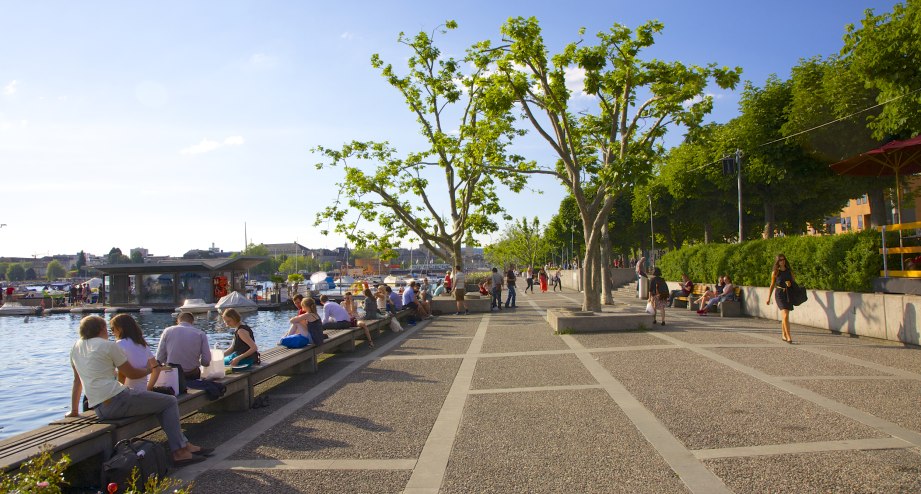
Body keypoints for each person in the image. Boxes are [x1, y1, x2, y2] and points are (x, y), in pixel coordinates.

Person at [68, 316, 210, 466]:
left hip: (100, 408)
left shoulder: (75, 348)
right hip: (118, 399)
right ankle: (180, 452)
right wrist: (151, 369)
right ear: (101, 329)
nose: (109, 332)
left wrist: (74, 410)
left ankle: (184, 445)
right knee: (169, 401)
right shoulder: (108, 346)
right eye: (107, 329)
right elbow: (132, 374)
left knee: (159, 402)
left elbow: (77, 382)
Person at [111, 314, 161, 391]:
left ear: (120, 329)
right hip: (142, 391)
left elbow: (122, 375)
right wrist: (148, 388)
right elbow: (156, 368)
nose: (112, 333)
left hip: (127, 393)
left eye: (112, 329)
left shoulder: (119, 344)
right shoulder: (143, 345)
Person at [157, 312, 211, 381]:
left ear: (178, 321)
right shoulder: (200, 334)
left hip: (173, 373)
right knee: (196, 369)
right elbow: (206, 361)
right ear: (192, 322)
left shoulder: (167, 331)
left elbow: (159, 358)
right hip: (191, 373)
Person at [767, 254, 796, 343]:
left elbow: (794, 282)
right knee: (785, 315)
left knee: (785, 316)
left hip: (788, 293)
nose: (782, 261)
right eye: (780, 260)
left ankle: (783, 334)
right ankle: (788, 336)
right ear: (777, 262)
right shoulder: (775, 272)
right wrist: (768, 297)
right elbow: (772, 285)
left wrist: (790, 284)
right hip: (779, 294)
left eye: (783, 260)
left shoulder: (789, 271)